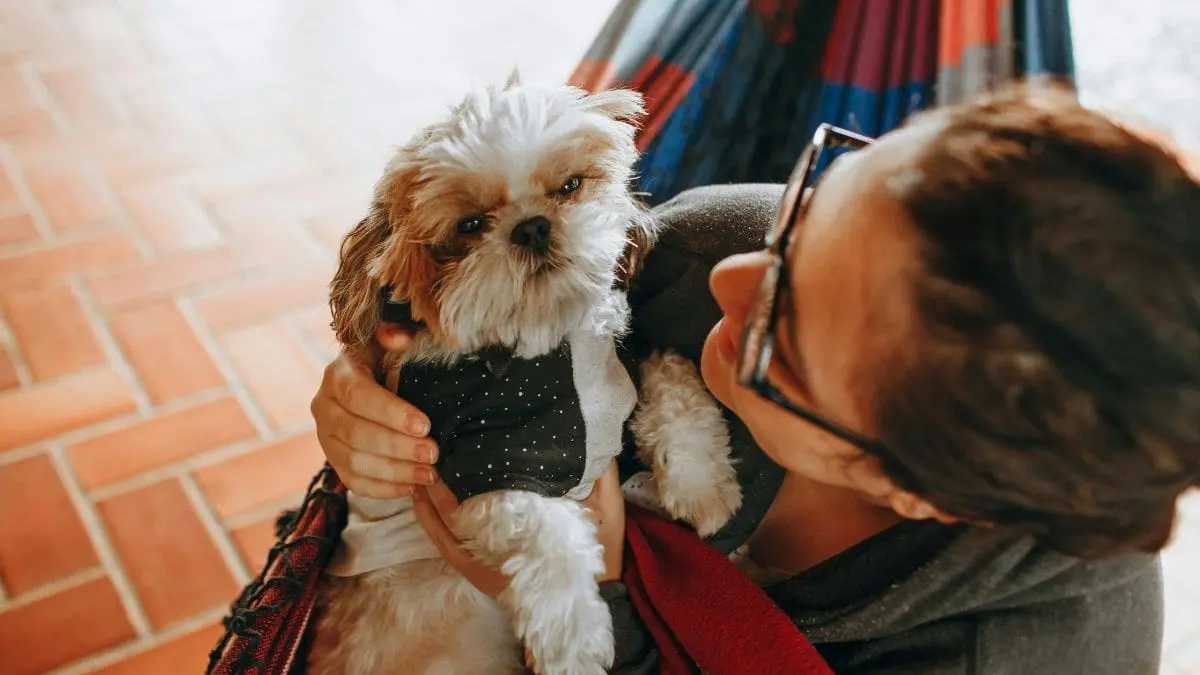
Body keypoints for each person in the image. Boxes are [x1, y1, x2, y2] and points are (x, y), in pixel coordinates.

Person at [310, 85, 1200, 673]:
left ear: (915, 491)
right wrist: (368, 397)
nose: (732, 278)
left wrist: (608, 607)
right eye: (805, 220)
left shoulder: (1035, 648)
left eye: (786, 338)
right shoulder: (709, 239)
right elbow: (455, 331)